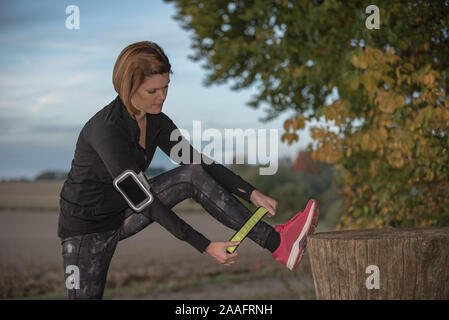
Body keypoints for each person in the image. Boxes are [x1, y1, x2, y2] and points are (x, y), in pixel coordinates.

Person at [58, 41, 319, 300]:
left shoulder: (156, 120)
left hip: (123, 211)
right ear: (129, 88)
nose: (162, 96)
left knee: (191, 173)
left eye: (166, 87)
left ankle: (279, 244)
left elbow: (197, 160)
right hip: (86, 229)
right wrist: (205, 246)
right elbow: (143, 199)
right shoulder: (107, 131)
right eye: (153, 91)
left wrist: (250, 193)